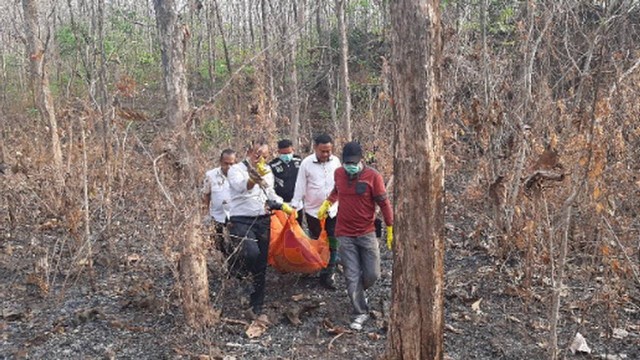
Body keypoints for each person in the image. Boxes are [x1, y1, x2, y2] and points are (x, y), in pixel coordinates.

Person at [318, 141, 394, 331]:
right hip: (344, 233)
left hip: (367, 232)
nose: (350, 166)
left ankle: (359, 291)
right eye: (347, 162)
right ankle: (360, 311)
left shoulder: (373, 177)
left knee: (372, 274)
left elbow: (384, 203)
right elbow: (337, 190)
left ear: (361, 160)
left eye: (354, 162)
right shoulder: (339, 173)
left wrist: (390, 227)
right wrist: (328, 203)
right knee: (351, 276)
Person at [227, 140, 295, 315]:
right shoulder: (236, 170)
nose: (261, 159)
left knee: (261, 261)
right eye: (258, 154)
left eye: (265, 156)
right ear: (249, 151)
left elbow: (270, 192)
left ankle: (257, 301)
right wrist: (254, 177)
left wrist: (284, 205)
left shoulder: (267, 170)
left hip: (262, 218)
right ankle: (241, 273)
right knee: (251, 252)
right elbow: (242, 188)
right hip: (241, 219)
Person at [291, 134, 342, 289]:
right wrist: (294, 206)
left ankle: (329, 273)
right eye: (322, 151)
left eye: (328, 151)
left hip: (333, 209)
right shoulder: (306, 164)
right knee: (318, 240)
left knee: (333, 240)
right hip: (313, 211)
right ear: (315, 148)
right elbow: (300, 186)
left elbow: (339, 184)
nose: (326, 154)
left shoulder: (336, 162)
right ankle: (317, 264)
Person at [201, 149, 236, 255]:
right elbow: (206, 194)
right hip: (217, 216)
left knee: (234, 244)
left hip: (235, 216)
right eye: (226, 163)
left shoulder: (240, 175)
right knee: (219, 245)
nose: (229, 167)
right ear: (220, 161)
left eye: (231, 164)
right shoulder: (211, 175)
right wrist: (206, 214)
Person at [268, 139, 303, 219]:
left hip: (297, 203)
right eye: (284, 153)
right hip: (281, 203)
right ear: (279, 152)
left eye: (289, 153)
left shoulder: (298, 161)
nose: (287, 155)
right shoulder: (273, 165)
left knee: (297, 229)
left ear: (293, 150)